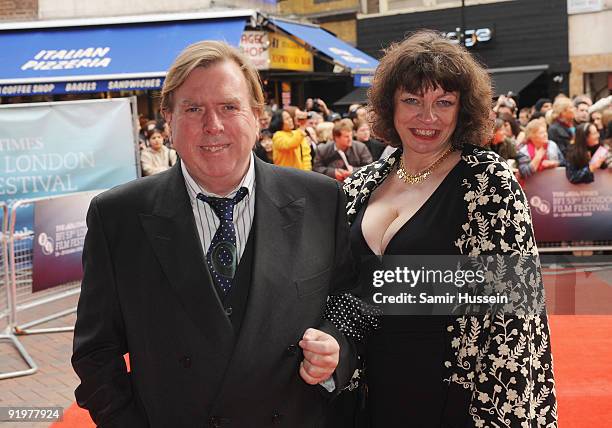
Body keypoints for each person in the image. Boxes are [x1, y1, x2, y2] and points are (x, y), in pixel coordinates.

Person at [72, 40, 358, 428]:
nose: (213, 125)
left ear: (257, 116)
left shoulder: (321, 201)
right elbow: (95, 353)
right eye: (193, 109)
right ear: (168, 120)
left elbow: (351, 307)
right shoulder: (117, 217)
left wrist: (336, 348)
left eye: (229, 106)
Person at [338, 31, 557, 427]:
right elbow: (336, 289)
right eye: (412, 101)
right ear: (389, 106)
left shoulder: (490, 184)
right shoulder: (358, 185)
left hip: (455, 398)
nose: (428, 117)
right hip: (364, 395)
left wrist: (381, 287)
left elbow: (513, 307)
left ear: (463, 110)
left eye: (444, 102)